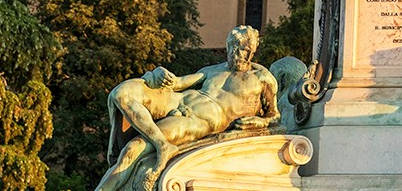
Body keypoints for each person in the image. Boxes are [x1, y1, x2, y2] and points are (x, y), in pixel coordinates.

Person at [95, 25, 280, 191]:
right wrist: (158, 72)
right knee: (121, 93)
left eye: (248, 51)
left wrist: (260, 120)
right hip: (178, 100)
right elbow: (177, 83)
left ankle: (159, 147)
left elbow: (275, 115)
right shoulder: (213, 70)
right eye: (238, 49)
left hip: (197, 121)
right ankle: (163, 145)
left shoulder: (263, 78)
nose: (243, 56)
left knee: (132, 149)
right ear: (229, 47)